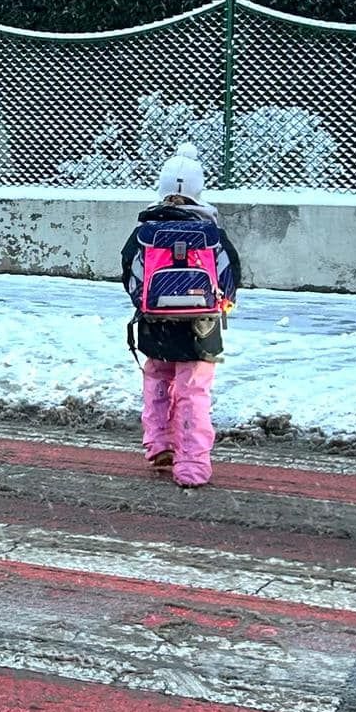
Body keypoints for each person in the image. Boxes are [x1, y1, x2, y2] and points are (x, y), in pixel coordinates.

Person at [122, 144, 242, 490]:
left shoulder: (147, 230)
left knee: (157, 379)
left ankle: (159, 444)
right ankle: (192, 466)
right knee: (194, 392)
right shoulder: (211, 233)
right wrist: (224, 305)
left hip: (155, 322)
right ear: (198, 190)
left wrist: (145, 302)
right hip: (201, 326)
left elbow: (129, 271)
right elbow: (230, 274)